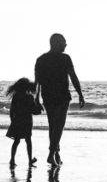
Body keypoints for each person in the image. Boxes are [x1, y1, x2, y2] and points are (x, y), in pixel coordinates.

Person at [34, 33, 84, 166]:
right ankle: (51, 154)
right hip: (61, 96)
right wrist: (80, 94)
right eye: (64, 43)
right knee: (58, 126)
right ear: (56, 43)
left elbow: (37, 82)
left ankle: (56, 153)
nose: (65, 45)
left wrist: (37, 98)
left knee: (53, 126)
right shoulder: (65, 58)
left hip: (47, 96)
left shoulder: (41, 59)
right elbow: (73, 76)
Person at [5, 77, 39, 167]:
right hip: (27, 121)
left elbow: (12, 110)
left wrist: (12, 121)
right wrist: (39, 108)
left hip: (17, 121)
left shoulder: (16, 96)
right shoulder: (29, 97)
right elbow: (34, 111)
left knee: (16, 141)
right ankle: (29, 160)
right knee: (28, 141)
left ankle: (12, 160)